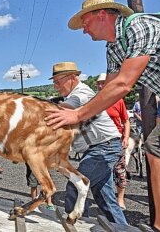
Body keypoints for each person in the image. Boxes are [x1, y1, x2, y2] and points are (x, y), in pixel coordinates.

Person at [45, 0, 160, 232]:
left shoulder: (140, 27)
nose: (84, 31)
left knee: (159, 148)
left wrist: (77, 115)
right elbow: (110, 92)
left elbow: (124, 84)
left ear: (102, 14)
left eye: (85, 23)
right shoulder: (113, 49)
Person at [50, 62, 127, 224]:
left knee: (75, 185)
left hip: (104, 147)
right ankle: (122, 227)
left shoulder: (82, 93)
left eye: (58, 81)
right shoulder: (72, 95)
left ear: (72, 78)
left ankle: (74, 225)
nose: (56, 86)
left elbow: (65, 108)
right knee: (105, 197)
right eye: (54, 82)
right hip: (101, 147)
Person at [96, 73, 130, 210]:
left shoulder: (118, 100)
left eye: (103, 82)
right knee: (104, 172)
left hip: (116, 140)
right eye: (98, 83)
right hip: (100, 141)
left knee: (120, 171)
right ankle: (107, 201)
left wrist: (126, 137)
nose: (100, 85)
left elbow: (126, 121)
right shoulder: (94, 100)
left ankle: (120, 199)